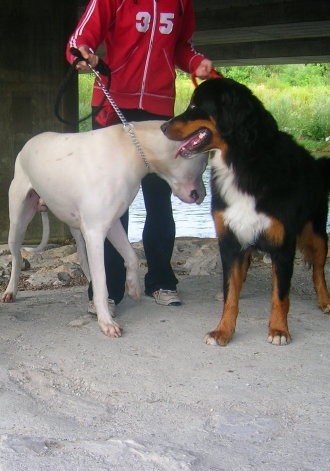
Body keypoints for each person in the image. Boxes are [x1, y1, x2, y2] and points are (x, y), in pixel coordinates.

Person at [66, 0, 212, 314]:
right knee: (111, 203)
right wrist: (84, 55)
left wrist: (195, 61)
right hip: (114, 107)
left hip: (158, 111)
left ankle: (161, 280)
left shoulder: (181, 3)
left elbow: (180, 47)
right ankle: (108, 289)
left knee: (159, 198)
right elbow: (80, 40)